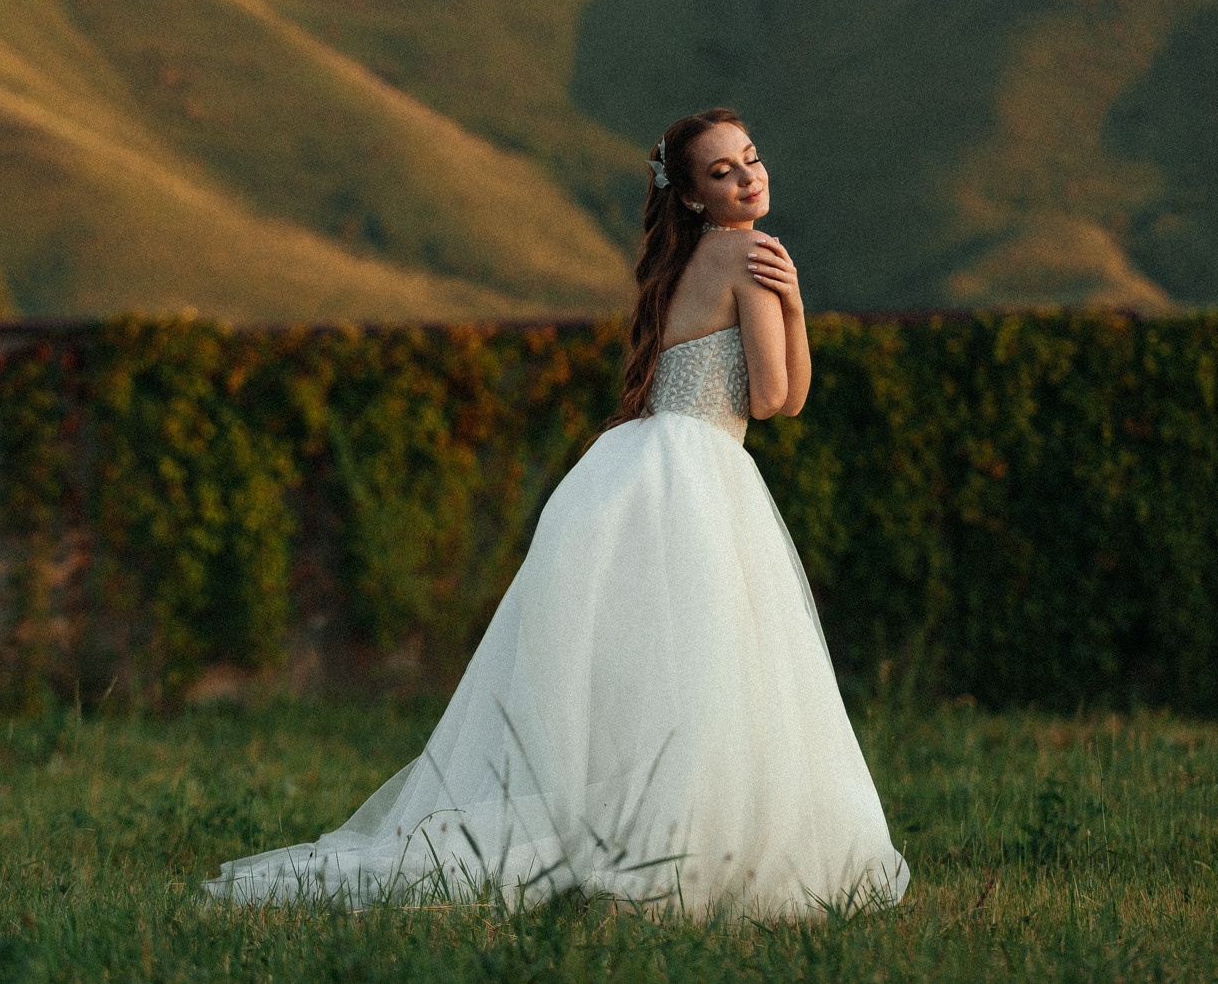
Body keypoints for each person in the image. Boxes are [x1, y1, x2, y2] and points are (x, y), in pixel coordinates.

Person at [203, 108, 909, 917]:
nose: (749, 177)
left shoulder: (701, 258)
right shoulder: (751, 253)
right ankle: (676, 848)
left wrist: (793, 312)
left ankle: (655, 835)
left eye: (751, 158)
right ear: (687, 196)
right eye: (722, 171)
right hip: (695, 476)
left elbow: (776, 396)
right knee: (709, 670)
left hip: (645, 469)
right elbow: (779, 399)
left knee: (666, 676)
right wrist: (794, 307)